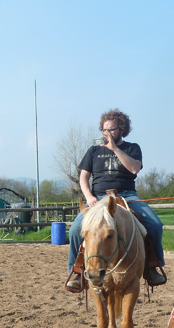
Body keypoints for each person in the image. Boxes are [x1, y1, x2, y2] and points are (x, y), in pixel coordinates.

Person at [66, 109, 166, 290]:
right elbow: (83, 177)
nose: (107, 133)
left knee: (155, 225)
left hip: (127, 195)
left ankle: (152, 267)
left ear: (122, 129)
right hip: (98, 197)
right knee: (74, 230)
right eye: (105, 130)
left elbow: (134, 168)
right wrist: (89, 196)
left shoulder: (132, 148)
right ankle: (77, 272)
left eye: (111, 130)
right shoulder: (93, 150)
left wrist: (115, 149)